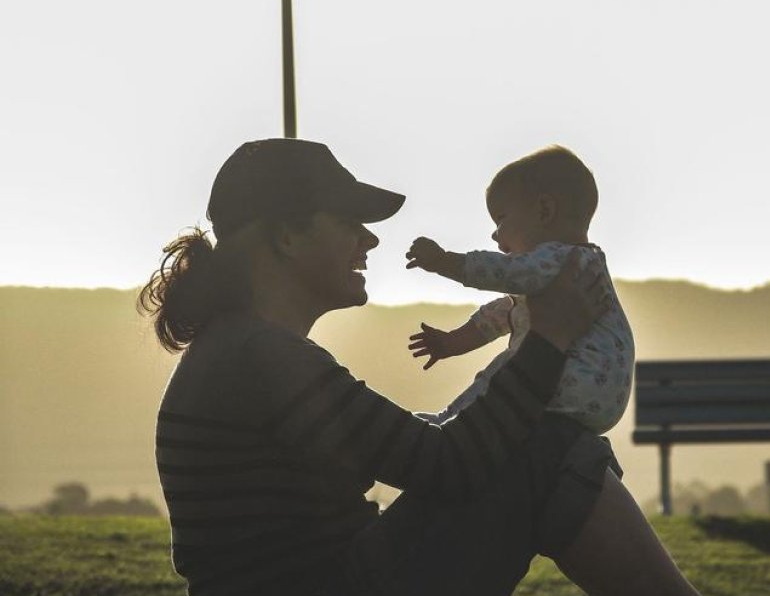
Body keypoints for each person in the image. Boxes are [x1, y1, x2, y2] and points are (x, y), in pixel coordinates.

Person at [140, 138, 699, 596]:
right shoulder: (258, 358)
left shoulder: (241, 351)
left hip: (338, 578)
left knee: (544, 443)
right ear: (286, 235)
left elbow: (417, 452)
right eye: (349, 220)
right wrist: (550, 338)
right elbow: (447, 464)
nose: (370, 237)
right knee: (547, 446)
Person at [404, 145, 633, 438]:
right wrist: (452, 343)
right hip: (598, 397)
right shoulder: (576, 269)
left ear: (544, 211)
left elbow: (506, 272)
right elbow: (504, 315)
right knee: (509, 373)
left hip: (573, 380)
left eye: (501, 219)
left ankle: (450, 425)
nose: (495, 234)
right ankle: (450, 422)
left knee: (502, 375)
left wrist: (446, 262)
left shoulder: (564, 259)